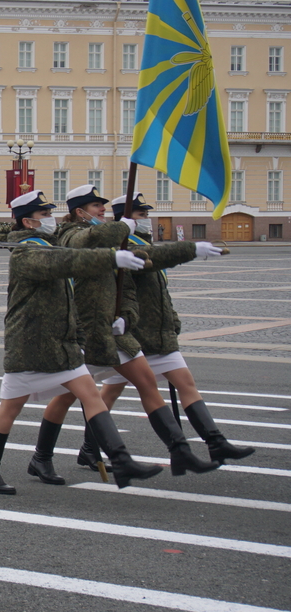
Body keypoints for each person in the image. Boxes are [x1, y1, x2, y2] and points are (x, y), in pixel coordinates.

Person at [0, 191, 160, 493]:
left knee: (91, 396)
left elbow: (72, 266)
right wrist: (111, 256)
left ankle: (121, 459)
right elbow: (66, 261)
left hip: (62, 346)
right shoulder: (26, 253)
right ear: (28, 222)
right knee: (10, 410)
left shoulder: (48, 245)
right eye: (45, 215)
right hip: (31, 347)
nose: (50, 219)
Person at [33, 185, 218, 480]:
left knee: (147, 383)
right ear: (80, 212)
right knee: (66, 398)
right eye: (96, 206)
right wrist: (121, 227)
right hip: (87, 333)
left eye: (103, 206)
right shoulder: (69, 235)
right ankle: (41, 458)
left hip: (114, 332)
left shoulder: (110, 235)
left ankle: (181, 452)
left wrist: (191, 250)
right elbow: (87, 241)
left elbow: (146, 260)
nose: (102, 210)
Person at [95, 193, 251, 465]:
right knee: (105, 395)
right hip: (136, 335)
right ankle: (90, 448)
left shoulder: (143, 242)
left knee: (183, 383)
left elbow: (160, 293)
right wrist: (190, 250)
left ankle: (215, 442)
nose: (147, 219)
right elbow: (149, 262)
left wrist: (172, 320)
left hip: (159, 334)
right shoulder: (125, 247)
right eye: (141, 215)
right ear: (126, 218)